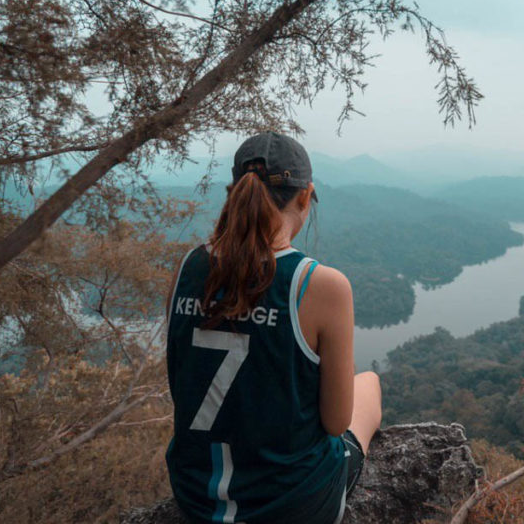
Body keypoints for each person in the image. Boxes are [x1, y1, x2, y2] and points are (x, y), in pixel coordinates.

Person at [164, 131, 382, 524]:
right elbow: (335, 423)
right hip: (291, 505)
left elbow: (181, 386)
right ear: (305, 195)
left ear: (234, 192)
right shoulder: (319, 283)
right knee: (369, 384)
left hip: (196, 497)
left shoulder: (185, 270)